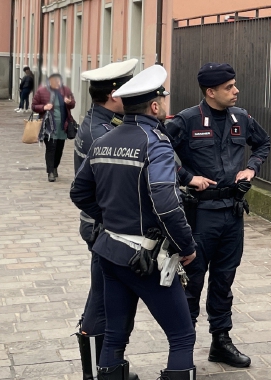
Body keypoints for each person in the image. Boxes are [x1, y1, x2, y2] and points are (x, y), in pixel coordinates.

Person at [70, 64, 197, 380]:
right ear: (154, 106)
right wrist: (186, 246)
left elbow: (79, 192)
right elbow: (166, 204)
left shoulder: (105, 139)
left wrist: (109, 217)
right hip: (145, 257)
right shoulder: (155, 142)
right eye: (163, 99)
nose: (165, 104)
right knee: (182, 336)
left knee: (114, 335)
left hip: (109, 251)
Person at [162, 62, 270, 368]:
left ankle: (221, 341)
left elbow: (263, 142)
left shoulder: (241, 117)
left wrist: (252, 167)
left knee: (224, 280)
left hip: (232, 213)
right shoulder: (186, 119)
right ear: (211, 92)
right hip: (200, 214)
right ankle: (183, 350)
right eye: (228, 87)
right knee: (192, 283)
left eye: (234, 85)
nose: (235, 91)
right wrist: (186, 177)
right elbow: (158, 150)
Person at [72, 59, 139, 380]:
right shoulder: (102, 132)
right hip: (104, 228)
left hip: (98, 224)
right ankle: (103, 374)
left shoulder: (100, 122)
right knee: (103, 302)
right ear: (115, 95)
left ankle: (109, 370)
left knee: (108, 298)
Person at [32, 73, 76, 182]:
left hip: (62, 126)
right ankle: (50, 172)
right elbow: (34, 106)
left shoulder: (65, 91)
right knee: (51, 148)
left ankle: (55, 167)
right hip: (48, 126)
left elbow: (73, 104)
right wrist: (44, 107)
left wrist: (69, 102)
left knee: (59, 149)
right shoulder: (42, 91)